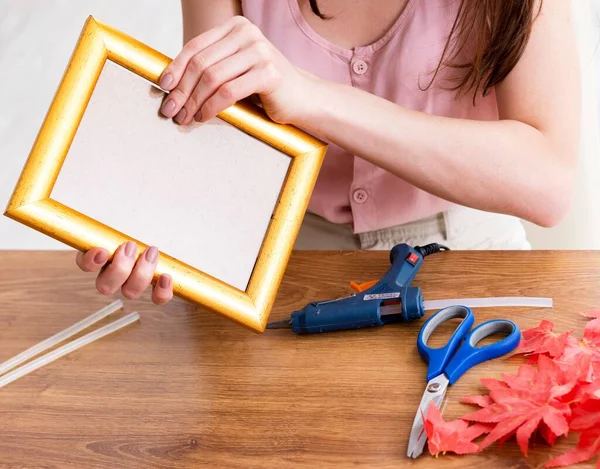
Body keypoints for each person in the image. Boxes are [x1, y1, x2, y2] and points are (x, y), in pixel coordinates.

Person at [76, 0, 580, 305]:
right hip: (277, 260)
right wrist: (152, 227)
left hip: (471, 261)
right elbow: (214, 130)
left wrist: (315, 98)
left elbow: (548, 182)